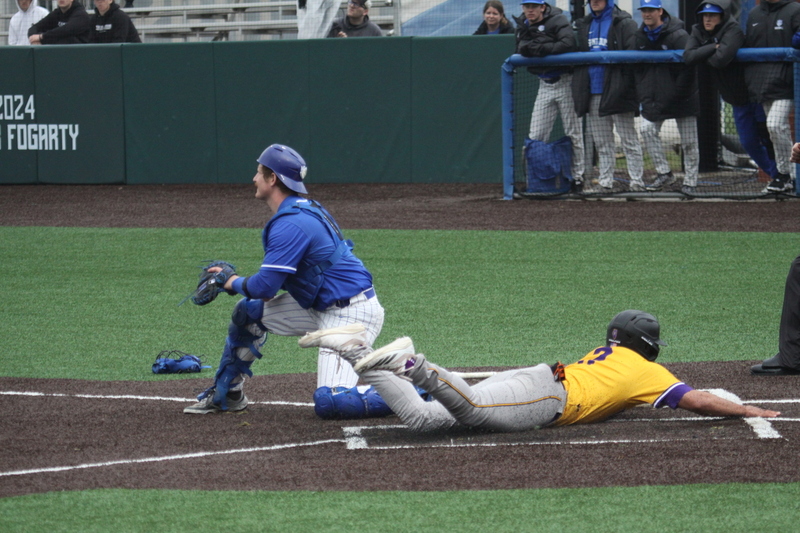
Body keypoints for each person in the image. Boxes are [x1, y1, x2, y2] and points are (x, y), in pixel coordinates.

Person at [299, 310, 779, 433]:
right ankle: (413, 364)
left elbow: (615, 397)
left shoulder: (608, 355)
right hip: (547, 398)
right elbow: (695, 401)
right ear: (648, 347)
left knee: (427, 420)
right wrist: (746, 408)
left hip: (538, 380)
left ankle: (350, 348)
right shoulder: (647, 373)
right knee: (474, 413)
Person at [183, 144, 387, 418]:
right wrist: (236, 282)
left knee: (334, 403)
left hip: (350, 314)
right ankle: (229, 393)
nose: (254, 179)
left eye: (258, 173)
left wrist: (229, 282)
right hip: (320, 305)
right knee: (248, 313)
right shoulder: (303, 209)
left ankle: (414, 389)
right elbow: (276, 284)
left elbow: (265, 288)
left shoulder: (291, 224)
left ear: (273, 179)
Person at [684, 1, 779, 185]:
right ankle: (778, 176)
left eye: (712, 15)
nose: (708, 18)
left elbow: (721, 60)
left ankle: (785, 175)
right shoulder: (698, 30)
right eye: (705, 15)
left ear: (722, 16)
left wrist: (703, 53)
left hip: (755, 93)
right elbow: (689, 56)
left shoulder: (733, 29)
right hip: (736, 98)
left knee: (770, 137)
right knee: (749, 143)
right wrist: (712, 46)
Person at [572, 0, 645, 193]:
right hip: (594, 91)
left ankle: (637, 182)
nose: (594, 2)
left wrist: (624, 86)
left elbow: (632, 56)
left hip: (617, 91)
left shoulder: (625, 23)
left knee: (628, 139)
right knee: (602, 142)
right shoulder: (584, 24)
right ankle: (605, 182)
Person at [515, 0, 585, 186]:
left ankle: (578, 178)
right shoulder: (522, 24)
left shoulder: (558, 18)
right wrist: (543, 45)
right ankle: (536, 180)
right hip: (544, 84)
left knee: (574, 133)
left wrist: (540, 48)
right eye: (526, 6)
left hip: (565, 82)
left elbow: (568, 43)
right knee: (536, 135)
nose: (530, 10)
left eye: (534, 6)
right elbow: (520, 48)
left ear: (542, 7)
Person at [634, 0, 700, 195]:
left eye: (651, 10)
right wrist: (644, 92)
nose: (647, 14)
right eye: (644, 10)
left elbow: (689, 68)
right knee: (646, 130)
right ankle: (664, 172)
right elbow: (637, 69)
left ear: (660, 11)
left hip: (683, 96)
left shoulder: (679, 35)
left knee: (689, 142)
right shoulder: (640, 36)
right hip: (654, 97)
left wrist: (676, 92)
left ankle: (691, 182)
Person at [743, 0, 800, 193]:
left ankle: (790, 175)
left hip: (787, 81)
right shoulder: (754, 14)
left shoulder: (794, 9)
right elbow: (749, 45)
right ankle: (784, 176)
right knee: (774, 131)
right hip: (762, 82)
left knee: (775, 124)